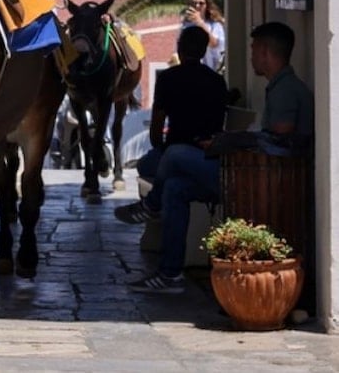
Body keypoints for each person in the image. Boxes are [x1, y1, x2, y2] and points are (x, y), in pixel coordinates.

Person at [122, 21, 313, 294]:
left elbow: (280, 140)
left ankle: (151, 206)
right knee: (175, 188)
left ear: (266, 52)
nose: (251, 57)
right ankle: (170, 273)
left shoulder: (286, 90)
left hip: (259, 180)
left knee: (174, 154)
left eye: (254, 50)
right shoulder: (273, 86)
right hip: (251, 173)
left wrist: (229, 142)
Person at [114, 25, 228, 227]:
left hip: (178, 153)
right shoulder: (218, 82)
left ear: (180, 49)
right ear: (203, 51)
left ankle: (151, 205)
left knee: (148, 164)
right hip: (206, 155)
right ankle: (169, 257)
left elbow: (157, 127)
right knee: (173, 183)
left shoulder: (168, 78)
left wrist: (160, 148)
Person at [181, 0, 226, 72]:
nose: (197, 6)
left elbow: (214, 44)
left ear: (207, 6)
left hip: (211, 70)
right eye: (194, 3)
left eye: (201, 3)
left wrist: (200, 23)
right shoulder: (185, 25)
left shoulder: (215, 25)